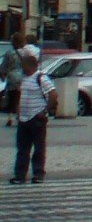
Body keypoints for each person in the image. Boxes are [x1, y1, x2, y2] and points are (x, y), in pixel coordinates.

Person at [9, 50, 53, 183]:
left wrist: (45, 111)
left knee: (39, 148)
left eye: (24, 66)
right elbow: (21, 95)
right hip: (24, 118)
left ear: (31, 66)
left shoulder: (41, 78)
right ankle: (20, 175)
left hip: (36, 117)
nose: (23, 69)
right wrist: (18, 110)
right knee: (22, 148)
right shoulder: (24, 79)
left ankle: (38, 174)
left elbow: (53, 94)